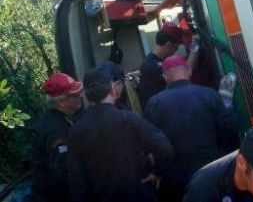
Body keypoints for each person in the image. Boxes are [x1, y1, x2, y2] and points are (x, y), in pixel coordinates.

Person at [67, 68, 174, 202]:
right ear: (112, 89)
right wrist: (157, 172)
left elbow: (76, 180)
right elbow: (165, 148)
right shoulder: (130, 119)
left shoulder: (76, 131)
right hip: (138, 195)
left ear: (86, 96)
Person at [144, 55, 240, 201]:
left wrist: (158, 171)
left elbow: (151, 145)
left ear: (164, 77)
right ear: (189, 71)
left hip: (175, 178)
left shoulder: (153, 104)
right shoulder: (209, 95)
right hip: (211, 171)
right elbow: (230, 128)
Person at [31, 73, 84, 202]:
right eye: (74, 95)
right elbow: (63, 174)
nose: (80, 96)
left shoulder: (65, 119)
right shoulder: (55, 131)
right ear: (60, 102)